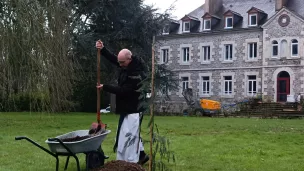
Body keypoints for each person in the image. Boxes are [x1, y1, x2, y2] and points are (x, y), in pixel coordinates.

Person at [95, 40, 149, 165]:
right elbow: (115, 59)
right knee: (129, 133)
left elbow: (124, 91)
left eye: (122, 62)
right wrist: (102, 49)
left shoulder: (137, 73)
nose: (120, 65)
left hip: (134, 109)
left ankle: (131, 163)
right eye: (120, 62)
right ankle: (141, 156)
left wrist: (105, 87)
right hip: (127, 108)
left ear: (129, 59)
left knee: (130, 135)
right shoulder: (126, 64)